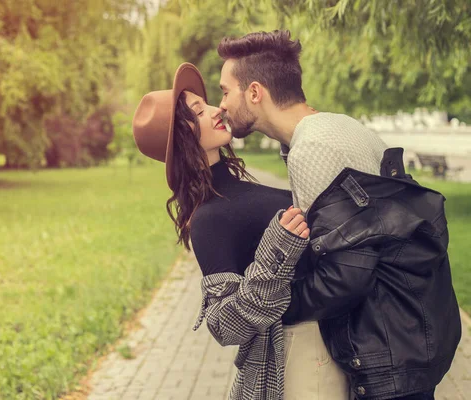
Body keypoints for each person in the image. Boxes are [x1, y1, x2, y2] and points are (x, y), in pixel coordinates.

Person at [217, 30, 461, 400]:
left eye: (223, 91)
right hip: (412, 331)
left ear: (254, 92)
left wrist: (277, 306)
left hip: (389, 350)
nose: (220, 105)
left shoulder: (312, 150)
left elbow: (346, 276)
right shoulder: (338, 126)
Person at [132, 63, 344, 399]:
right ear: (184, 135)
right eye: (199, 110)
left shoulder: (240, 189)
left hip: (335, 342)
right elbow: (225, 324)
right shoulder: (208, 218)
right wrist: (278, 252)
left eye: (209, 102)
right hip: (299, 353)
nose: (218, 109)